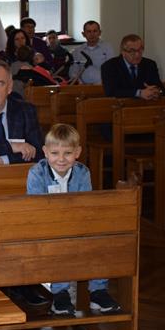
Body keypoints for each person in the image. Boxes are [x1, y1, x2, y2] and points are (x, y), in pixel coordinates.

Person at [27, 124, 122, 314]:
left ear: (77, 152)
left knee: (101, 240)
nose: (61, 159)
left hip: (76, 224)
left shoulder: (82, 172)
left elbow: (85, 206)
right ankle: (60, 294)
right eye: (55, 153)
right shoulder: (37, 173)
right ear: (45, 152)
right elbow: (36, 209)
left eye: (68, 153)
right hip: (46, 227)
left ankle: (98, 291)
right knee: (59, 244)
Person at [101, 34, 165, 99]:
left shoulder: (149, 64)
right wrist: (139, 93)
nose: (137, 55)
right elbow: (111, 92)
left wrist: (157, 91)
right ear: (123, 52)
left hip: (145, 104)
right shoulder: (109, 66)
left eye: (140, 50)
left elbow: (161, 88)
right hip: (121, 104)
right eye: (132, 51)